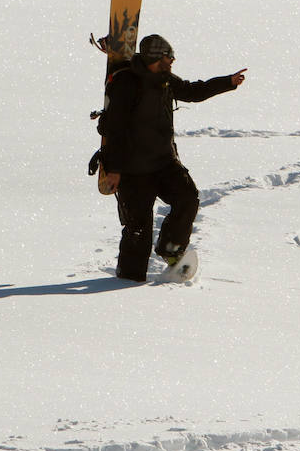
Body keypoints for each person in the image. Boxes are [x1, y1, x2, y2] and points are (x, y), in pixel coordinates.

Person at [99, 34, 246, 282]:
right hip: (133, 169)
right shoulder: (126, 83)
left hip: (164, 162)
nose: (172, 61)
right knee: (138, 230)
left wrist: (227, 82)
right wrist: (113, 169)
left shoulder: (165, 80)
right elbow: (113, 129)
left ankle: (170, 249)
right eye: (169, 57)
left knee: (188, 198)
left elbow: (192, 91)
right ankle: (127, 281)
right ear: (154, 58)